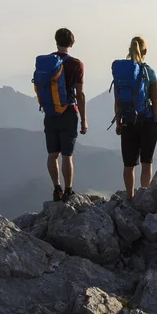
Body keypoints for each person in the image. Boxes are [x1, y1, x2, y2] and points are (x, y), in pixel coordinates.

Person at [33, 27, 88, 200]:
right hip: (69, 112)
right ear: (71, 43)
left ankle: (57, 189)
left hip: (50, 113)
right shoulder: (76, 64)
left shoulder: (46, 63)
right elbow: (80, 94)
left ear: (56, 41)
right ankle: (69, 190)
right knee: (67, 155)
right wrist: (84, 120)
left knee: (52, 154)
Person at [111, 35, 157, 199]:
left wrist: (119, 122)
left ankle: (130, 198)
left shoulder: (122, 72)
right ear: (145, 51)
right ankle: (143, 198)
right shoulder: (150, 72)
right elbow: (156, 101)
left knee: (128, 165)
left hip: (128, 121)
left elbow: (118, 100)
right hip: (148, 121)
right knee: (146, 163)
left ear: (129, 50)